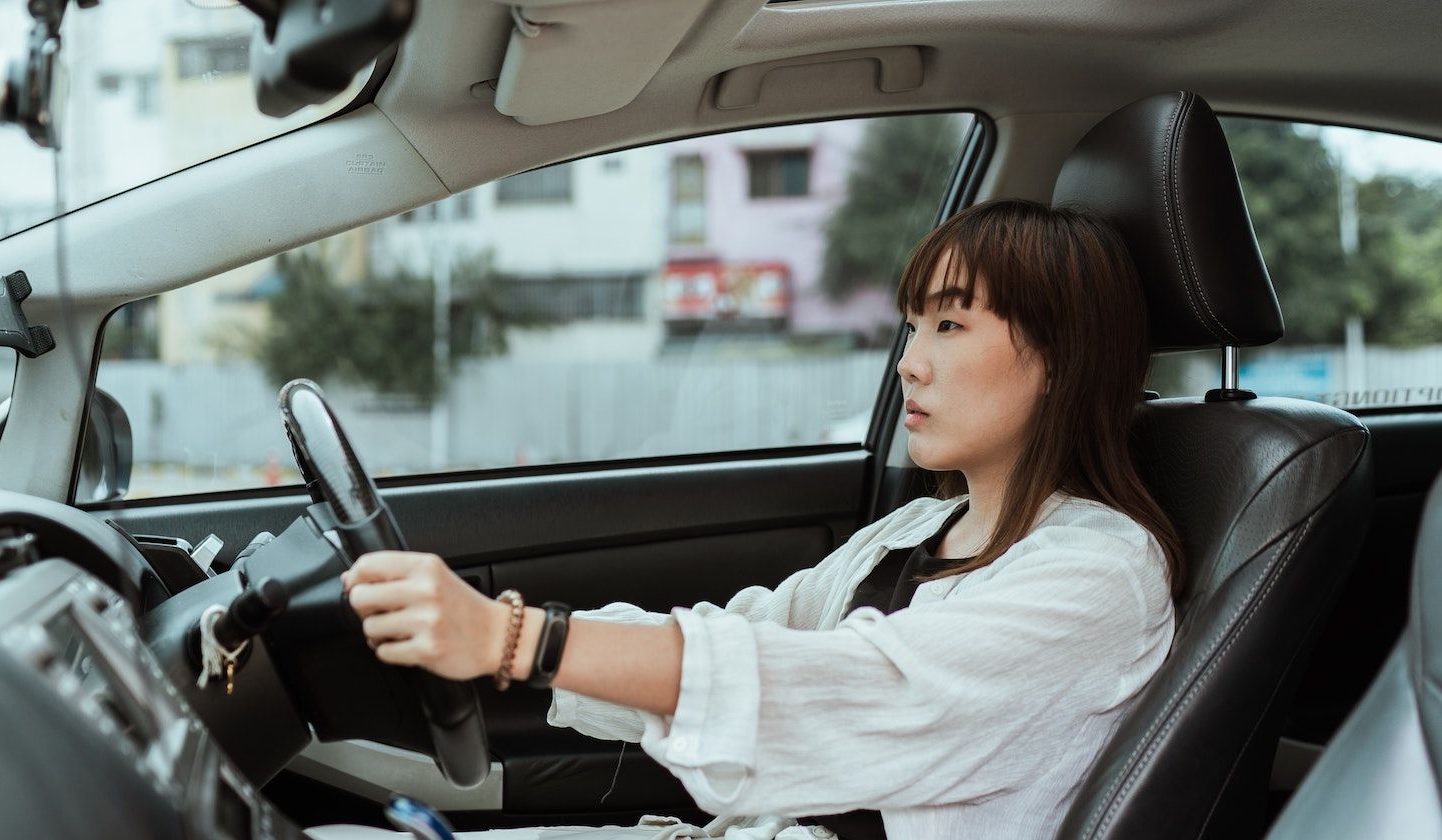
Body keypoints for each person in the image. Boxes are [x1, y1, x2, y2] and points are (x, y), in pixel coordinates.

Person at [320, 199, 1185, 840]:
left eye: (950, 324)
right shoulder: (913, 532)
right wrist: (500, 645)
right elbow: (751, 633)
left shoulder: (1099, 578)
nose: (909, 365)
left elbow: (842, 690)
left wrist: (515, 641)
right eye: (912, 325)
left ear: (1059, 359)